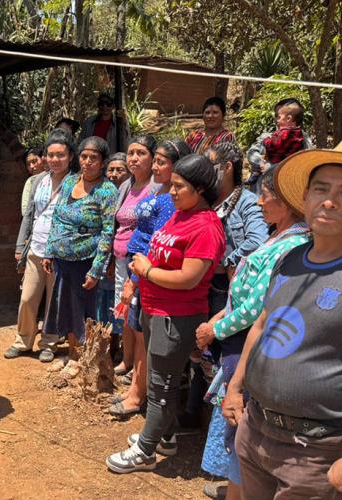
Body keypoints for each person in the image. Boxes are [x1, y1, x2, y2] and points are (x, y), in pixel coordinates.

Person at [223, 139, 342, 499]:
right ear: (306, 198)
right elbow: (264, 325)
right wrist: (235, 387)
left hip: (317, 451)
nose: (329, 200)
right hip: (256, 427)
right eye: (321, 189)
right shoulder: (290, 259)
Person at [106, 154, 226, 473]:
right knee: (165, 382)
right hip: (156, 309)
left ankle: (145, 451)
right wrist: (142, 272)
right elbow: (158, 249)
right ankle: (167, 437)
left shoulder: (206, 226)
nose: (172, 192)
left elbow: (189, 278)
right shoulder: (180, 214)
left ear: (199, 190)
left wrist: (146, 272)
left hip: (177, 316)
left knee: (162, 385)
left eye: (179, 186)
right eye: (172, 185)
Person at [195, 171, 309, 500]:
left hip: (248, 344)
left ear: (287, 202)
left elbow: (256, 308)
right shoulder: (280, 237)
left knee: (240, 425)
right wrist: (220, 316)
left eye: (266, 195)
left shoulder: (290, 246)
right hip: (238, 337)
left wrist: (214, 328)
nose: (259, 202)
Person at [178, 141, 268, 428]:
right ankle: (194, 412)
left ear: (228, 168)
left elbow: (258, 240)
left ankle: (217, 423)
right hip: (200, 287)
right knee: (198, 350)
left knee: (221, 354)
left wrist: (224, 261)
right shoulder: (207, 199)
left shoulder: (248, 203)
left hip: (225, 291)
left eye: (212, 164)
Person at [110, 138, 188, 418]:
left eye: (160, 162)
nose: (154, 166)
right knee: (139, 333)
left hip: (149, 276)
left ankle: (139, 395)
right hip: (138, 270)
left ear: (177, 166)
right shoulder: (160, 193)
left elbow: (156, 243)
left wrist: (135, 280)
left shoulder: (170, 202)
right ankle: (135, 389)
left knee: (145, 339)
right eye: (154, 160)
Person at [42, 136, 118, 367]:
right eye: (84, 156)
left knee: (84, 310)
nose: (87, 162)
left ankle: (85, 359)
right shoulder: (69, 181)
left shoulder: (107, 191)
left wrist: (96, 270)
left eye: (93, 158)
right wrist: (49, 251)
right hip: (62, 260)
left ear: (102, 162)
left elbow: (107, 233)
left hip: (86, 261)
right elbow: (56, 218)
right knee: (66, 308)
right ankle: (73, 354)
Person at [6, 131, 76, 361]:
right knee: (27, 298)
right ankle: (23, 341)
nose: (55, 159)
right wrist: (20, 246)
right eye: (51, 154)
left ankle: (49, 343)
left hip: (60, 253)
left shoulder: (76, 183)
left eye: (61, 155)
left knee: (54, 301)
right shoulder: (38, 181)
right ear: (45, 156)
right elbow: (29, 215)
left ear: (70, 157)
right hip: (36, 249)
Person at [95, 152, 132, 339]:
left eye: (120, 170)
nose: (114, 174)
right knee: (102, 302)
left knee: (118, 301)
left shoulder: (131, 195)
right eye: (111, 169)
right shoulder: (101, 192)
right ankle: (105, 343)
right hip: (101, 258)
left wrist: (110, 261)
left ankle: (119, 346)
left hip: (119, 259)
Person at [245, 97, 313, 193]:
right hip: (263, 192)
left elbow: (306, 163)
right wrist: (261, 163)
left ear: (290, 118)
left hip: (288, 189)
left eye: (279, 116)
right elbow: (252, 153)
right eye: (276, 116)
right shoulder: (268, 136)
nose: (277, 120)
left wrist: (272, 167)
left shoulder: (304, 140)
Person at [20, 147, 44, 217]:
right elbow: (25, 211)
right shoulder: (30, 182)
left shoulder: (55, 177)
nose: (32, 166)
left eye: (34, 161)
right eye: (28, 164)